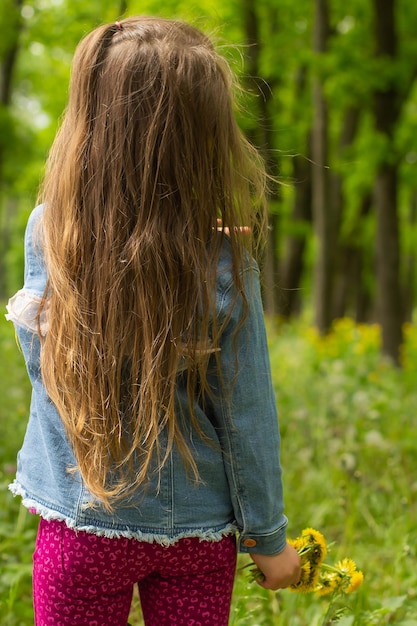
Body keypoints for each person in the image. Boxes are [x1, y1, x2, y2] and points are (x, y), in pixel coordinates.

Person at [6, 16, 300, 626]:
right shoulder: (225, 261)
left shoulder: (51, 231)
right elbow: (246, 413)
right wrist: (268, 539)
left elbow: (50, 374)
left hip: (81, 523)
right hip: (195, 533)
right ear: (205, 138)